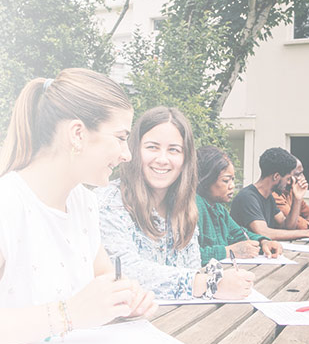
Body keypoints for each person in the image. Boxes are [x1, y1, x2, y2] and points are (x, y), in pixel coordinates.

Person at [0, 69, 157, 344]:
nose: (127, 154)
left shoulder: (83, 203)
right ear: (78, 134)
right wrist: (67, 314)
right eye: (121, 137)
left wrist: (126, 300)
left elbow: (106, 278)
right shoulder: (2, 207)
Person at [96, 107, 254, 300]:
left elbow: (192, 266)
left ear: (185, 158)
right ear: (134, 151)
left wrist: (221, 277)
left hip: (176, 320)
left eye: (174, 150)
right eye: (152, 147)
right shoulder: (108, 201)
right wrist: (210, 283)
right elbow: (122, 271)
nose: (162, 159)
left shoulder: (185, 209)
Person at [196, 146, 283, 266]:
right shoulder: (194, 207)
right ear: (206, 180)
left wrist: (263, 242)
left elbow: (239, 234)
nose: (232, 186)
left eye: (232, 180)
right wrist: (229, 251)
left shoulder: (219, 209)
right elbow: (188, 255)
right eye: (226, 181)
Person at [230, 147, 309, 241]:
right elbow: (263, 233)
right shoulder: (247, 198)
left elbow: (287, 226)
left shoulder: (269, 197)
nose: (289, 183)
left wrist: (297, 199)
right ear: (276, 176)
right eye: (288, 178)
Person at [273, 158, 309, 230]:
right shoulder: (275, 195)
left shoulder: (291, 191)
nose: (303, 177)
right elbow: (296, 225)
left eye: (302, 173)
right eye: (298, 174)